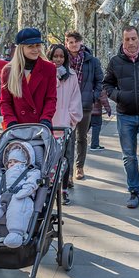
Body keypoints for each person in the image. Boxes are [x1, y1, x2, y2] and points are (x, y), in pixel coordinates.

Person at [103, 25, 139, 208]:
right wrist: (119, 96)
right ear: (123, 41)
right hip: (125, 116)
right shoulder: (115, 62)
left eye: (133, 38)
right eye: (127, 39)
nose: (130, 43)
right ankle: (134, 191)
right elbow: (107, 84)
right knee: (129, 156)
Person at [0, 28, 57, 130]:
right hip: (16, 128)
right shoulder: (8, 71)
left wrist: (46, 119)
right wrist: (10, 121)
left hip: (41, 127)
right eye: (30, 46)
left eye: (38, 45)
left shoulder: (49, 68)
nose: (35, 50)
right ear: (21, 48)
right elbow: (5, 102)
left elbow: (51, 99)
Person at [64, 31, 103, 181]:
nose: (73, 45)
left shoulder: (92, 61)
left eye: (76, 42)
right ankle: (68, 171)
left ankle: (79, 167)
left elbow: (100, 80)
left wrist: (94, 95)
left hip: (85, 105)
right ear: (66, 43)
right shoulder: (63, 59)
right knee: (69, 138)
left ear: (81, 42)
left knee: (81, 138)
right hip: (66, 106)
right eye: (70, 42)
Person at [48, 44, 83, 205]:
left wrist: (70, 119)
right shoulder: (45, 75)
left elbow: (76, 99)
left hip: (65, 125)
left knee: (65, 158)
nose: (58, 59)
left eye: (61, 56)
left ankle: (63, 189)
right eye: (55, 56)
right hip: (47, 124)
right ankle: (49, 188)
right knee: (49, 159)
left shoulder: (72, 76)